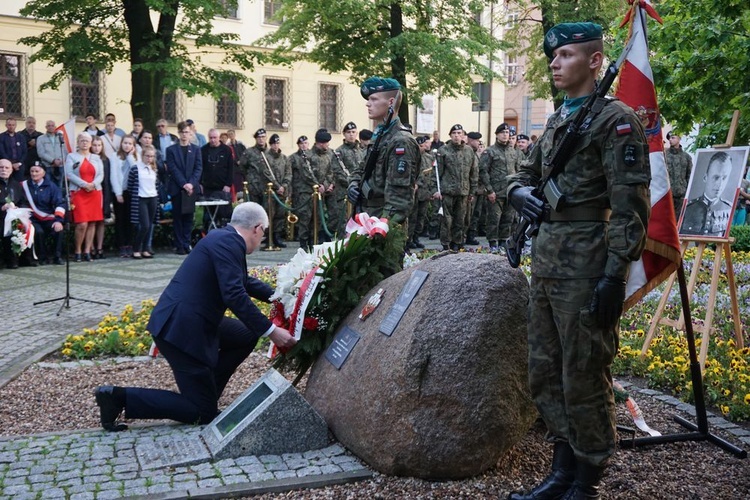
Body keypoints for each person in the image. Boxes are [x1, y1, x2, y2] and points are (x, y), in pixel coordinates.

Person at [506, 22, 650, 500]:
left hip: (588, 265)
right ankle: (561, 472)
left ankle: (586, 481)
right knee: (545, 370)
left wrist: (615, 275)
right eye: (553, 56)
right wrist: (519, 193)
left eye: (565, 54)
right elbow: (524, 174)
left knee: (584, 373)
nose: (554, 62)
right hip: (547, 262)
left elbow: (631, 207)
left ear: (593, 61)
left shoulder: (616, 121)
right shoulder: (556, 120)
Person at [93, 202, 297, 430]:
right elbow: (234, 294)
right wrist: (271, 331)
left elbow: (242, 281)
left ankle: (207, 390)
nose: (262, 239)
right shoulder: (228, 242)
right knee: (202, 413)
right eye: (264, 233)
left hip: (191, 320)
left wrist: (282, 297)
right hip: (181, 331)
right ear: (257, 228)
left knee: (246, 335)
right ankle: (118, 397)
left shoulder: (224, 238)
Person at [347, 77, 419, 228]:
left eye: (373, 99)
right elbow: (361, 169)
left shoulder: (401, 140)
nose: (368, 103)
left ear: (391, 102)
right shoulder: (380, 136)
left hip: (382, 223)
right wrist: (353, 185)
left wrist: (383, 226)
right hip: (367, 216)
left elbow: (399, 196)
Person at [434, 123, 477, 251]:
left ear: (463, 135)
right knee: (446, 221)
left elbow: (474, 172)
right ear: (450, 135)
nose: (457, 136)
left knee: (461, 220)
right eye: (454, 134)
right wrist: (436, 190)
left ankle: (457, 244)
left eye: (459, 133)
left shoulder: (469, 151)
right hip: (447, 191)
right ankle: (446, 244)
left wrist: (472, 191)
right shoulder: (443, 150)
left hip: (464, 191)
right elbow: (436, 172)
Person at [65, 133, 105, 262]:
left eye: (87, 141)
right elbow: (69, 173)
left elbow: (101, 174)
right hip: (79, 192)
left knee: (92, 222)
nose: (85, 143)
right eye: (82, 140)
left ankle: (87, 251)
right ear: (78, 142)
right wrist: (84, 184)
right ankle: (77, 250)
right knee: (82, 223)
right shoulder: (71, 156)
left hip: (94, 192)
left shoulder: (96, 157)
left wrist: (93, 184)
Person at [166, 121, 203, 255]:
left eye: (187, 132)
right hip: (177, 187)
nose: (184, 135)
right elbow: (173, 169)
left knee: (188, 217)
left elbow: (198, 168)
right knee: (178, 218)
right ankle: (179, 244)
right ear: (179, 133)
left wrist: (191, 184)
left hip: (191, 189)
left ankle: (186, 243)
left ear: (190, 133)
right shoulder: (171, 150)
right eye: (182, 132)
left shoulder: (196, 149)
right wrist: (184, 184)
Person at [20, 163, 66, 265]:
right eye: (32, 171)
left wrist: (58, 220)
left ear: (44, 173)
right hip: (32, 219)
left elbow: (60, 203)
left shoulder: (51, 186)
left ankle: (57, 256)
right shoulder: (24, 186)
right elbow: (21, 203)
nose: (34, 174)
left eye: (37, 171)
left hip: (48, 218)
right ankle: (42, 257)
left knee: (58, 230)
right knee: (38, 232)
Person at [480, 123, 515, 253]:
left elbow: (517, 170)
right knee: (494, 219)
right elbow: (483, 171)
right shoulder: (490, 151)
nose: (505, 135)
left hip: (510, 191)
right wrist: (489, 190)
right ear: (497, 135)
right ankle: (493, 243)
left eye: (507, 133)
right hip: (495, 192)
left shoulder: (513, 151)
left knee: (508, 219)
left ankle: (504, 241)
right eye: (502, 133)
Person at [680, 151, 733, 237]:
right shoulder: (689, 208)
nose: (719, 184)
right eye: (716, 177)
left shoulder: (728, 208)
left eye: (724, 178)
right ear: (705, 177)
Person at [128, 145, 159, 259]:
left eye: (152, 156)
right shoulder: (136, 168)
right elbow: (130, 185)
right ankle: (136, 248)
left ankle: (145, 248)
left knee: (150, 225)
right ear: (142, 155)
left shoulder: (153, 169)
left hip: (153, 197)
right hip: (141, 198)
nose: (149, 158)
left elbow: (156, 184)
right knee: (144, 225)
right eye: (147, 156)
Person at [110, 136, 139, 258]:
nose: (127, 145)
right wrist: (118, 193)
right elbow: (114, 176)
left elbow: (135, 169)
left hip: (131, 192)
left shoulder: (136, 157)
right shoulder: (115, 156)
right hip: (120, 192)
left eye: (130, 143)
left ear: (133, 145)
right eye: (125, 143)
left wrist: (130, 156)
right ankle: (122, 246)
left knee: (130, 220)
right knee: (121, 220)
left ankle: (130, 245)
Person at [261, 133, 292, 246]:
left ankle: (277, 236)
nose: (276, 146)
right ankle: (268, 237)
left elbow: (289, 173)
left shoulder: (284, 158)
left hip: (282, 191)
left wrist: (284, 185)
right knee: (269, 214)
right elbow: (266, 174)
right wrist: (277, 186)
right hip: (271, 191)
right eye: (273, 144)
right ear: (270, 144)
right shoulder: (265, 157)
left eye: (277, 143)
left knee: (280, 214)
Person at [200, 128, 234, 230]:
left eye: (215, 138)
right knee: (208, 215)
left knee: (224, 214)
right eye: (211, 138)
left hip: (222, 187)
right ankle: (208, 232)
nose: (213, 140)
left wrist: (228, 184)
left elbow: (231, 169)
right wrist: (200, 183)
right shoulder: (203, 150)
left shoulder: (227, 150)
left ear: (219, 138)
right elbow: (200, 168)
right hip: (208, 187)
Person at [290, 135, 319, 250]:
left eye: (306, 143)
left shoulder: (313, 156)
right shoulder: (293, 158)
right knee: (304, 218)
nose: (304, 145)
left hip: (314, 191)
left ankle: (312, 241)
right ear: (298, 145)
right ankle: (303, 242)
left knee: (314, 218)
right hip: (301, 192)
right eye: (301, 143)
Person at [90, 136, 112, 259]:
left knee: (101, 222)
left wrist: (107, 198)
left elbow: (107, 180)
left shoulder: (105, 160)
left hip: (103, 193)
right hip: (91, 192)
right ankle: (91, 247)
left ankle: (100, 247)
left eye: (99, 145)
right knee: (92, 221)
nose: (97, 148)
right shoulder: (88, 159)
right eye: (95, 145)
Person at [0, 159, 23, 269]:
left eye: (6, 167)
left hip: (14, 218)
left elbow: (23, 201)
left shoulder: (16, 185)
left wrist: (19, 209)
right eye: (1, 167)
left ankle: (14, 260)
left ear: (11, 170)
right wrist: (2, 207)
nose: (4, 169)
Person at [665, 131, 693, 219]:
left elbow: (689, 175)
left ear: (679, 139)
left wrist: (688, 193)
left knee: (679, 220)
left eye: (673, 137)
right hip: (667, 194)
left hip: (681, 194)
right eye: (669, 138)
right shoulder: (664, 155)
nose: (670, 140)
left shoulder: (686, 157)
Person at [239, 129, 268, 205]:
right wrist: (251, 178)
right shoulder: (249, 152)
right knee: (252, 210)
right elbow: (242, 167)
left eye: (263, 137)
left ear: (266, 138)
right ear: (256, 139)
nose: (261, 139)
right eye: (259, 137)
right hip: (253, 188)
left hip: (267, 187)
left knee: (267, 211)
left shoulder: (270, 152)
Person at [36, 120, 67, 188]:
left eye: (52, 126)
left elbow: (65, 151)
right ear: (46, 127)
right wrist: (53, 160)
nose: (51, 127)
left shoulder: (60, 138)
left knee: (59, 187)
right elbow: (41, 153)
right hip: (47, 167)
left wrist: (60, 160)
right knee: (48, 187)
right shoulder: (41, 138)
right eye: (49, 126)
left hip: (60, 167)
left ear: (55, 127)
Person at [0, 117, 27, 182]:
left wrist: (19, 163)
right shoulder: (1, 137)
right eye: (9, 125)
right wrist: (11, 164)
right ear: (6, 125)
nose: (11, 127)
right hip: (6, 166)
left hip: (19, 166)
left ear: (15, 125)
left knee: (19, 185)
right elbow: (1, 152)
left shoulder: (21, 137)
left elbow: (25, 151)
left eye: (13, 125)